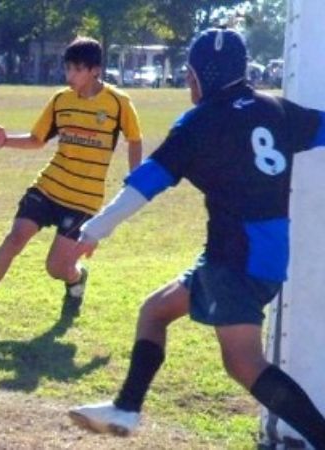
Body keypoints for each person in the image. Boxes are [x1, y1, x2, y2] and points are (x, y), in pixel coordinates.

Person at [66, 29, 325, 447]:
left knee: (243, 363)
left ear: (202, 74)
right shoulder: (277, 109)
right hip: (255, 258)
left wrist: (95, 228)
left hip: (235, 260)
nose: (187, 82)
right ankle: (127, 409)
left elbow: (144, 183)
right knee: (155, 311)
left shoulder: (199, 123)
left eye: (189, 73)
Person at [0, 37, 143, 332]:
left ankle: (76, 279)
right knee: (15, 238)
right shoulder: (61, 101)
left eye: (76, 69)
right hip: (49, 186)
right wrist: (5, 140)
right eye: (67, 68)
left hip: (83, 200)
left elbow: (134, 139)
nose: (69, 76)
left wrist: (134, 182)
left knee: (55, 268)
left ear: (95, 70)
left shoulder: (118, 103)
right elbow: (37, 140)